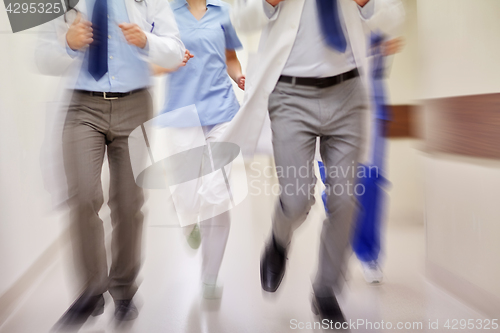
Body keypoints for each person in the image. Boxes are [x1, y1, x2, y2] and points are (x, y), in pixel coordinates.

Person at [226, 0, 404, 326]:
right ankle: (279, 240)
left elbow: (394, 14)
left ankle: (326, 290)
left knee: (345, 200)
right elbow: (239, 16)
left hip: (349, 93)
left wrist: (368, 4)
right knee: (296, 198)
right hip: (290, 94)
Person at [35, 0, 186, 326]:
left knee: (129, 203)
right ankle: (91, 289)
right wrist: (67, 43)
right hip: (81, 107)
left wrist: (147, 41)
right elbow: (41, 56)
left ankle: (124, 289)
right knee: (83, 197)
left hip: (135, 104)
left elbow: (175, 51)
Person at [153, 0, 244, 299]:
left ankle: (210, 277)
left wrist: (238, 75)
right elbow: (151, 60)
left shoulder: (223, 12)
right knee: (187, 195)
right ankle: (187, 218)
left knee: (218, 194)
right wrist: (168, 63)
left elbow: (230, 57)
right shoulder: (166, 14)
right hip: (182, 114)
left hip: (222, 110)